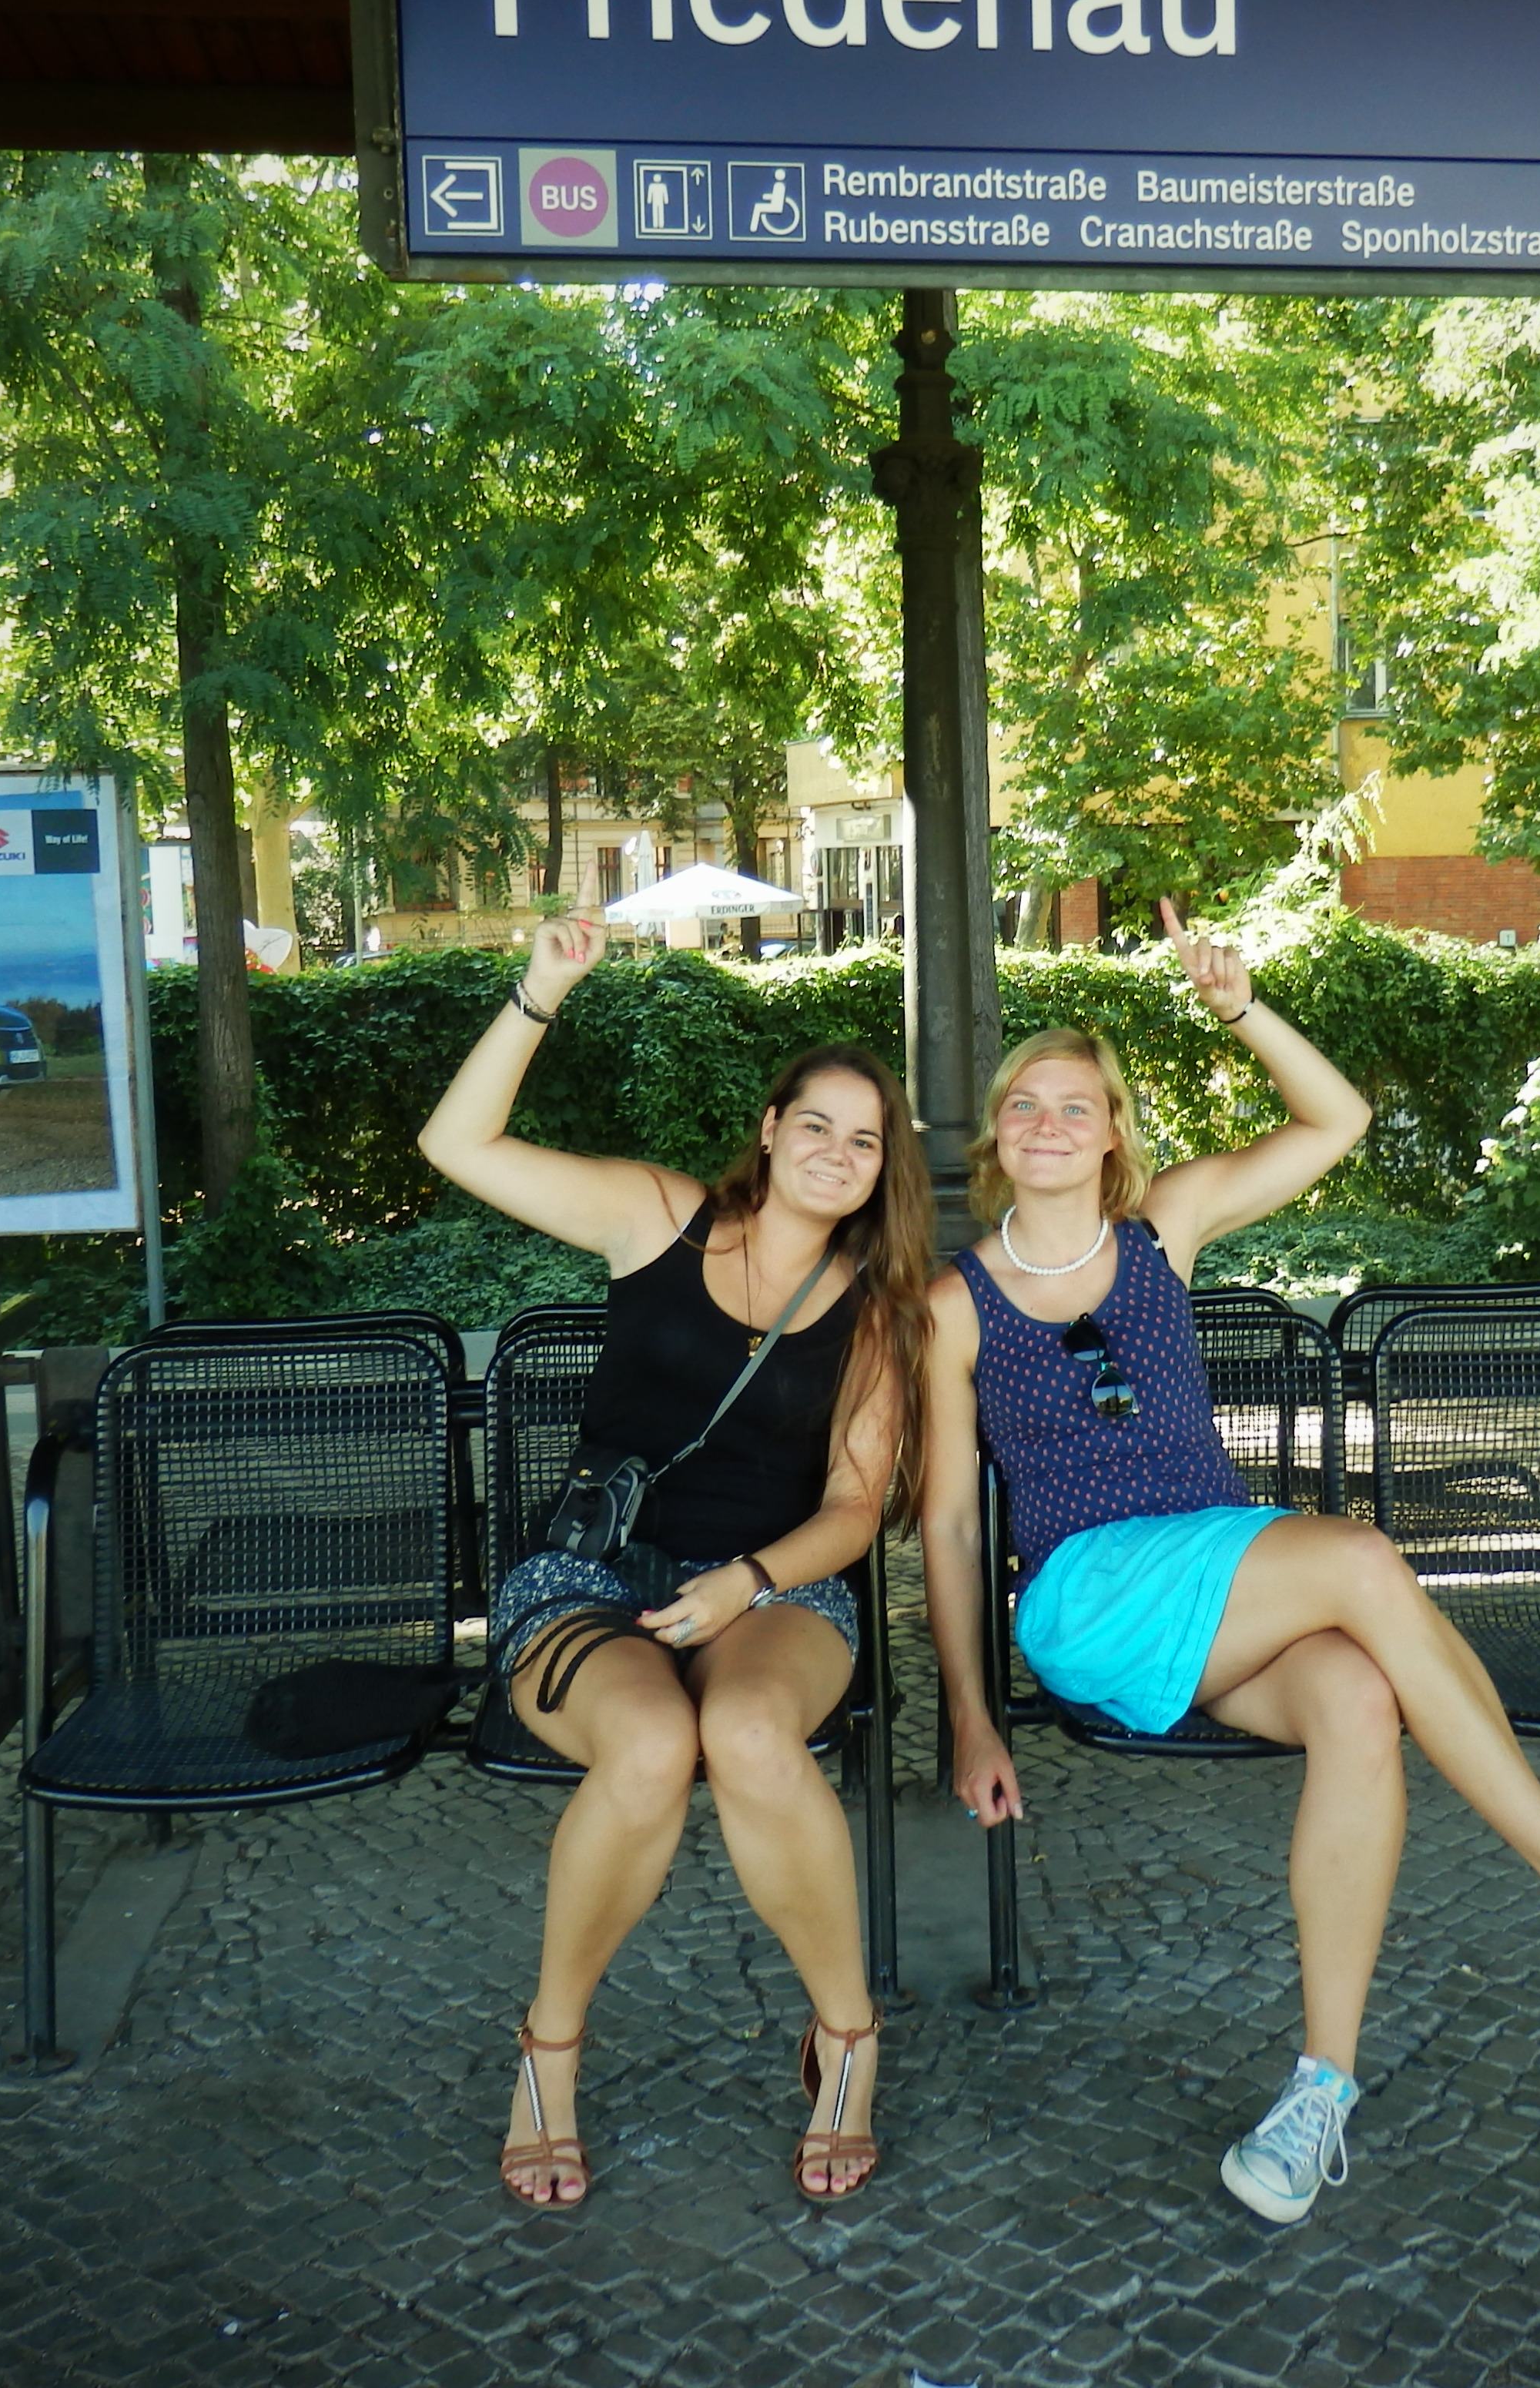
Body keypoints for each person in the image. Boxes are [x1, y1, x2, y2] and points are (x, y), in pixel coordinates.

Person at [922, 902, 1540, 2229]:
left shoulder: (1163, 1228)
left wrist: (1240, 1007)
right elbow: (949, 1524)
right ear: (996, 1138)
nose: (1046, 1123)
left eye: (1074, 1105)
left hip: (1227, 1585)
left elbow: (1338, 1120)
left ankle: (1320, 2086)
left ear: (1113, 1132)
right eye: (1023, 1105)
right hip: (1094, 1595)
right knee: (1367, 1560)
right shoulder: (952, 1302)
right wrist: (973, 1718)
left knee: (1363, 1702)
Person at [418, 917, 928, 2211]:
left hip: (778, 1584)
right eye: (817, 1125)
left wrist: (747, 1580)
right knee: (650, 1746)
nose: (838, 1153)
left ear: (885, 1169)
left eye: (867, 1140)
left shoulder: (874, 1311)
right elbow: (457, 1145)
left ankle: (849, 2038)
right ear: (769, 1129)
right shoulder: (658, 1218)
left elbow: (856, 1507)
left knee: (749, 1734)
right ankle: (549, 2053)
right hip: (591, 1576)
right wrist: (541, 990)